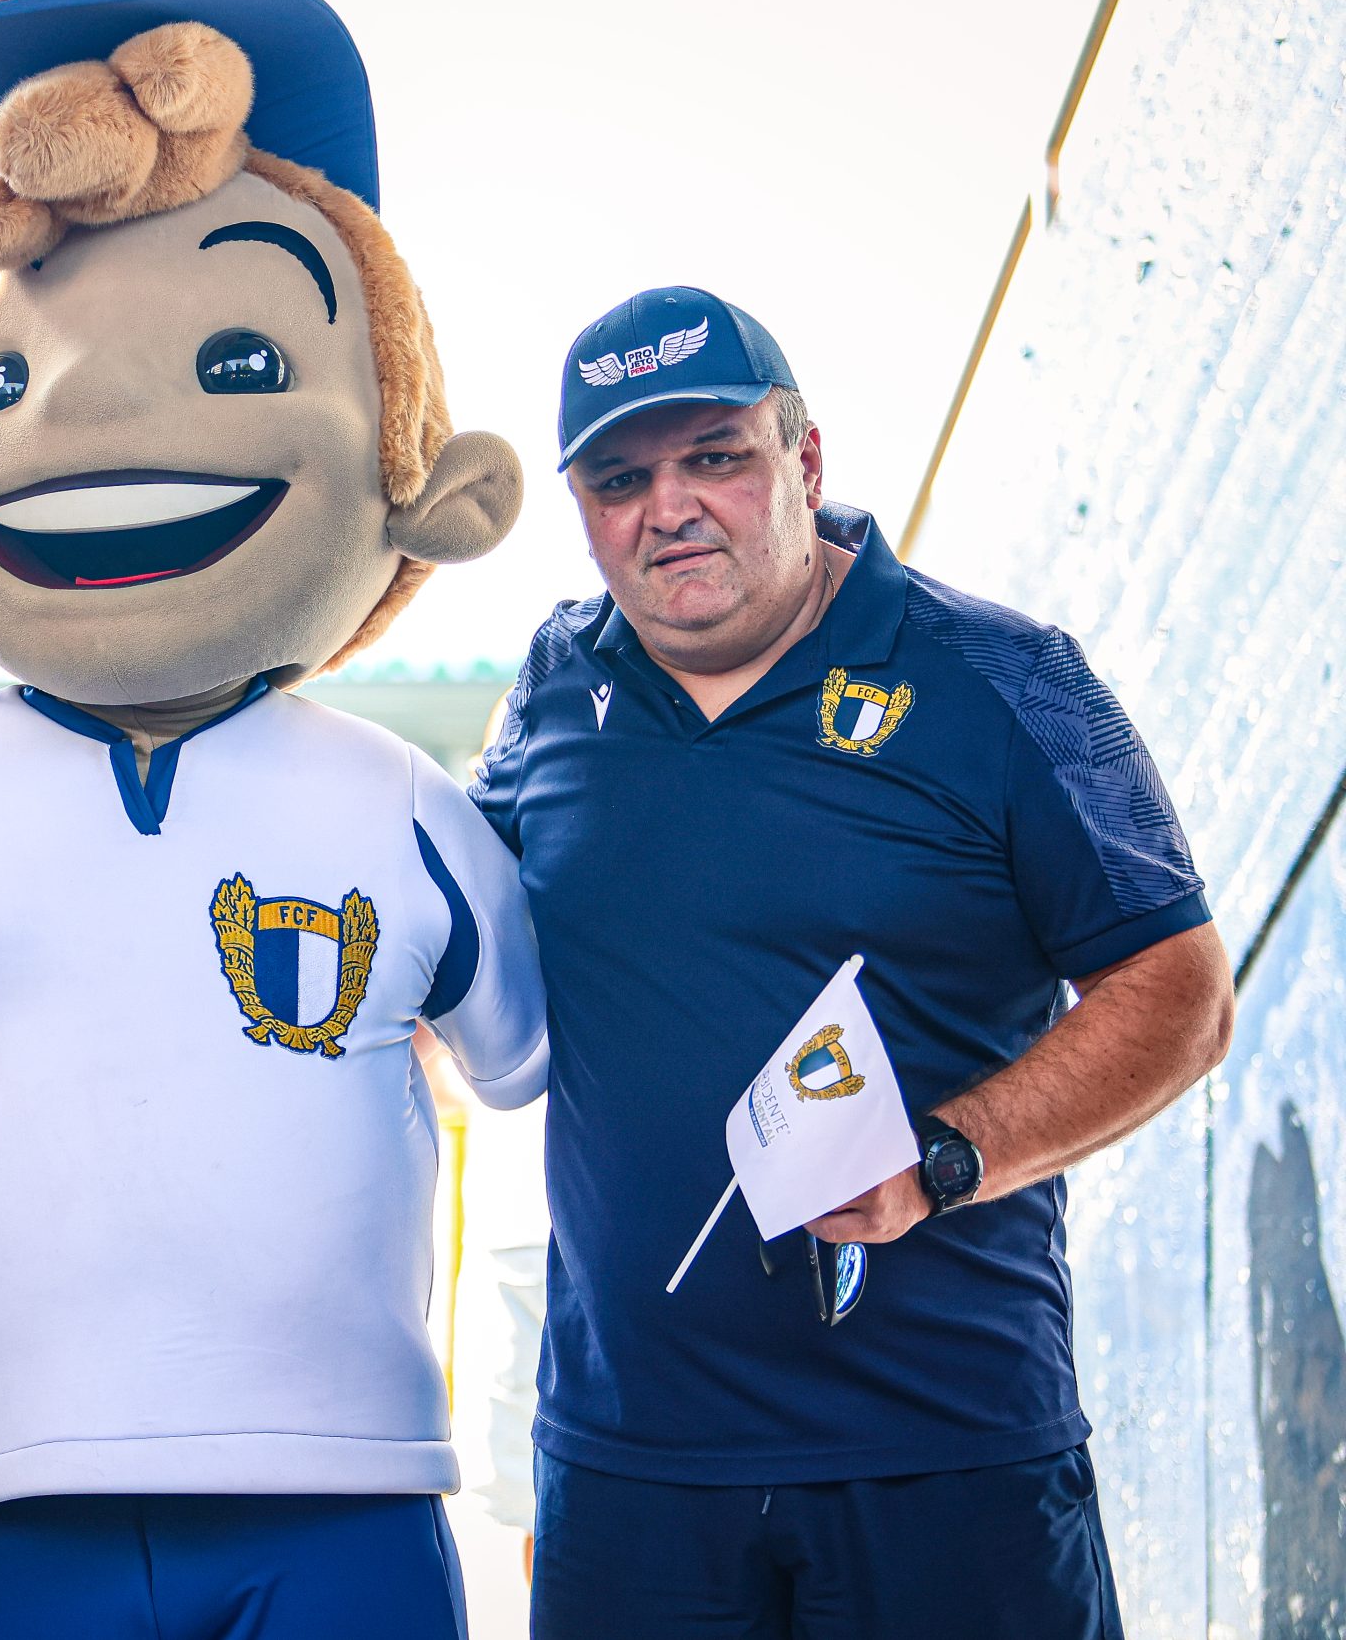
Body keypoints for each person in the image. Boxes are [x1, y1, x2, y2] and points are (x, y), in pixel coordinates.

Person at [0, 0, 549, 1639]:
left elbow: (537, 1065)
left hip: (354, 1485)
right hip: (15, 1489)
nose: (95, 421)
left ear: (415, 460)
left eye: (241, 354)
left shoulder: (405, 802)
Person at [470, 285, 1238, 1640]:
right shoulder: (548, 686)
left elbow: (1179, 992)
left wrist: (943, 1156)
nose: (671, 505)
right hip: (631, 1473)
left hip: (943, 1452)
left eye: (716, 453)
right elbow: (439, 948)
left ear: (805, 460)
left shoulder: (1007, 678)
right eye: (621, 477)